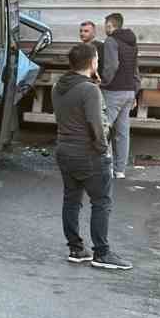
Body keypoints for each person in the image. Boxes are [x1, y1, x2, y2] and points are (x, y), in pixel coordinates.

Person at [54, 42, 131, 270]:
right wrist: (103, 151)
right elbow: (97, 125)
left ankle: (76, 249)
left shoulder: (58, 86)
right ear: (92, 62)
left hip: (64, 150)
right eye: (97, 59)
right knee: (101, 202)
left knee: (71, 200)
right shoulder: (89, 90)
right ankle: (102, 253)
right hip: (87, 153)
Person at [99, 11, 139, 179]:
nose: (105, 29)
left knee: (104, 129)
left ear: (112, 26)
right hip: (129, 91)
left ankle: (104, 167)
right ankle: (120, 170)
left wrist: (104, 82)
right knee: (123, 133)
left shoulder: (111, 41)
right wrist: (135, 92)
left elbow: (112, 66)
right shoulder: (132, 43)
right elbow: (135, 69)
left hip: (114, 91)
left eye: (106, 26)